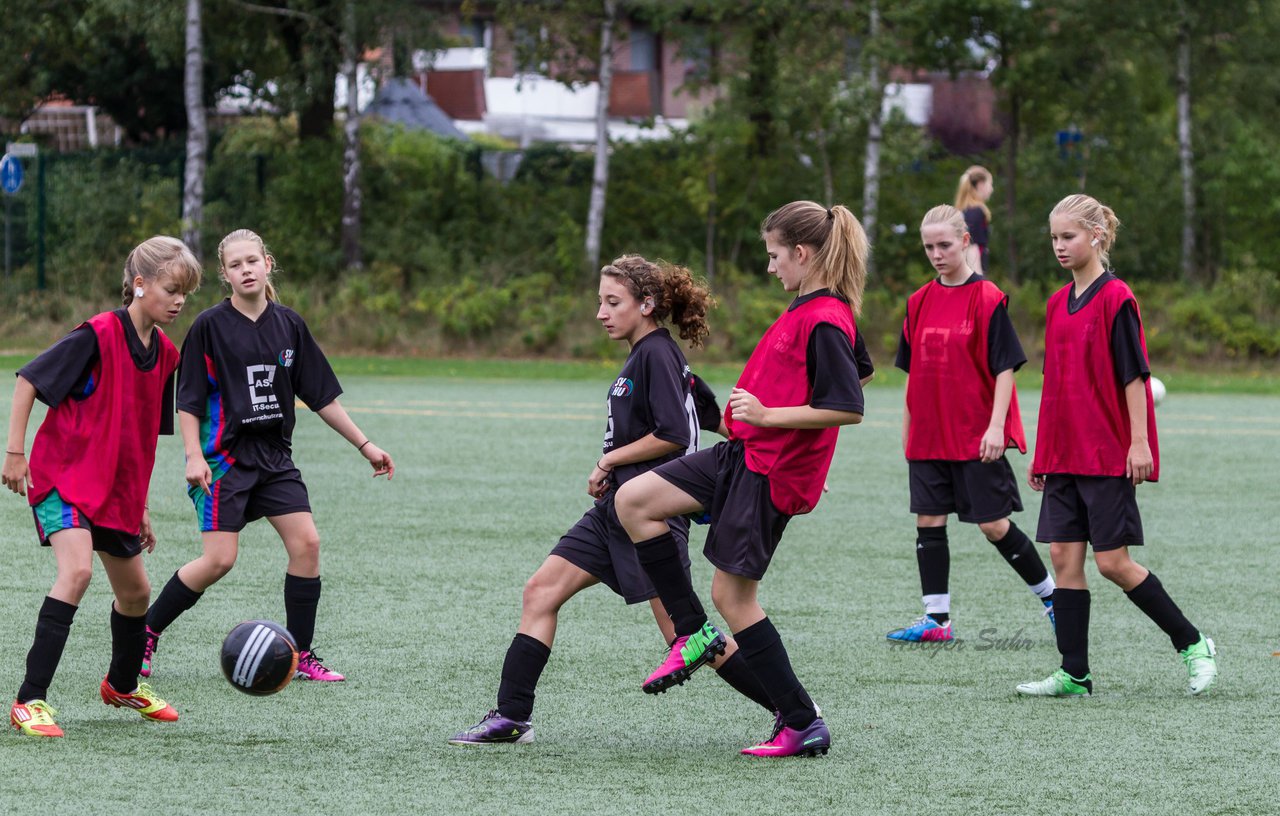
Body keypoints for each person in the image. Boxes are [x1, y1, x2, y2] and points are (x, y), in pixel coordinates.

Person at [448, 255, 782, 745]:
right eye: (599, 302)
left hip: (649, 516)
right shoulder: (649, 356)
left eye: (613, 302)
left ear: (646, 304)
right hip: (612, 514)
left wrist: (608, 462)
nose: (601, 313)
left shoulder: (657, 354)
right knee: (540, 592)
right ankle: (511, 716)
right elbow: (712, 418)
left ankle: (791, 708)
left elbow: (671, 434)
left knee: (686, 638)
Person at [615, 201, 868, 758]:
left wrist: (775, 422)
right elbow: (859, 370)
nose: (771, 267)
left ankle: (801, 721)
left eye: (775, 256)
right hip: (743, 456)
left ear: (802, 254)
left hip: (767, 468)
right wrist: (800, 442)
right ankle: (690, 633)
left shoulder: (826, 316)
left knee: (732, 596)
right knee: (634, 500)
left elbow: (848, 404)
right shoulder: (813, 308)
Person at [141, 229, 394, 683]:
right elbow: (189, 400)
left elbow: (321, 397)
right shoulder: (209, 327)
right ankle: (147, 631)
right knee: (219, 560)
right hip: (224, 460)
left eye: (252, 261)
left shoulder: (289, 325)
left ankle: (300, 654)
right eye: (236, 265)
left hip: (275, 457)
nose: (246, 270)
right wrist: (192, 456)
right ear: (225, 275)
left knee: (308, 545)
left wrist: (365, 444)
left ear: (267, 264)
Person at [1017, 194, 1217, 698]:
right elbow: (1055, 384)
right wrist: (1043, 453)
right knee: (1064, 556)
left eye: (1069, 237)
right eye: (1055, 238)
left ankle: (1193, 644)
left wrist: (1139, 442)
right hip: (1063, 453)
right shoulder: (1056, 304)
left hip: (1106, 451)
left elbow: (1135, 375)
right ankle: (1074, 673)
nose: (1060, 247)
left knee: (1113, 564)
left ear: (1097, 237)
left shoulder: (1117, 298)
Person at [5, 236, 202, 737]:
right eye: (172, 289)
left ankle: (121, 684)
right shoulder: (96, 334)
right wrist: (15, 452)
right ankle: (30, 701)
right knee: (77, 573)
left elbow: (138, 438)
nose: (180, 301)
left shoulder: (166, 357)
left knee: (136, 593)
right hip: (61, 478)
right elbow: (30, 380)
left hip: (114, 492)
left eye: (186, 293)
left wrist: (139, 508)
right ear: (139, 284)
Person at [887, 205, 1054, 643]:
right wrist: (908, 429)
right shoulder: (918, 302)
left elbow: (1004, 368)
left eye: (944, 245)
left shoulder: (988, 298)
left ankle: (1053, 598)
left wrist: (996, 427)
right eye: (929, 247)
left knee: (993, 526)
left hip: (976, 433)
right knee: (928, 520)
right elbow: (913, 373)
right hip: (928, 434)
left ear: (965, 242)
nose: (937, 254)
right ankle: (937, 622)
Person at [954, 165, 994, 276]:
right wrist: (978, 280)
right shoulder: (977, 212)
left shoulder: (963, 212)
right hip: (973, 272)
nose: (991, 189)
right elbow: (972, 246)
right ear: (981, 184)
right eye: (990, 184)